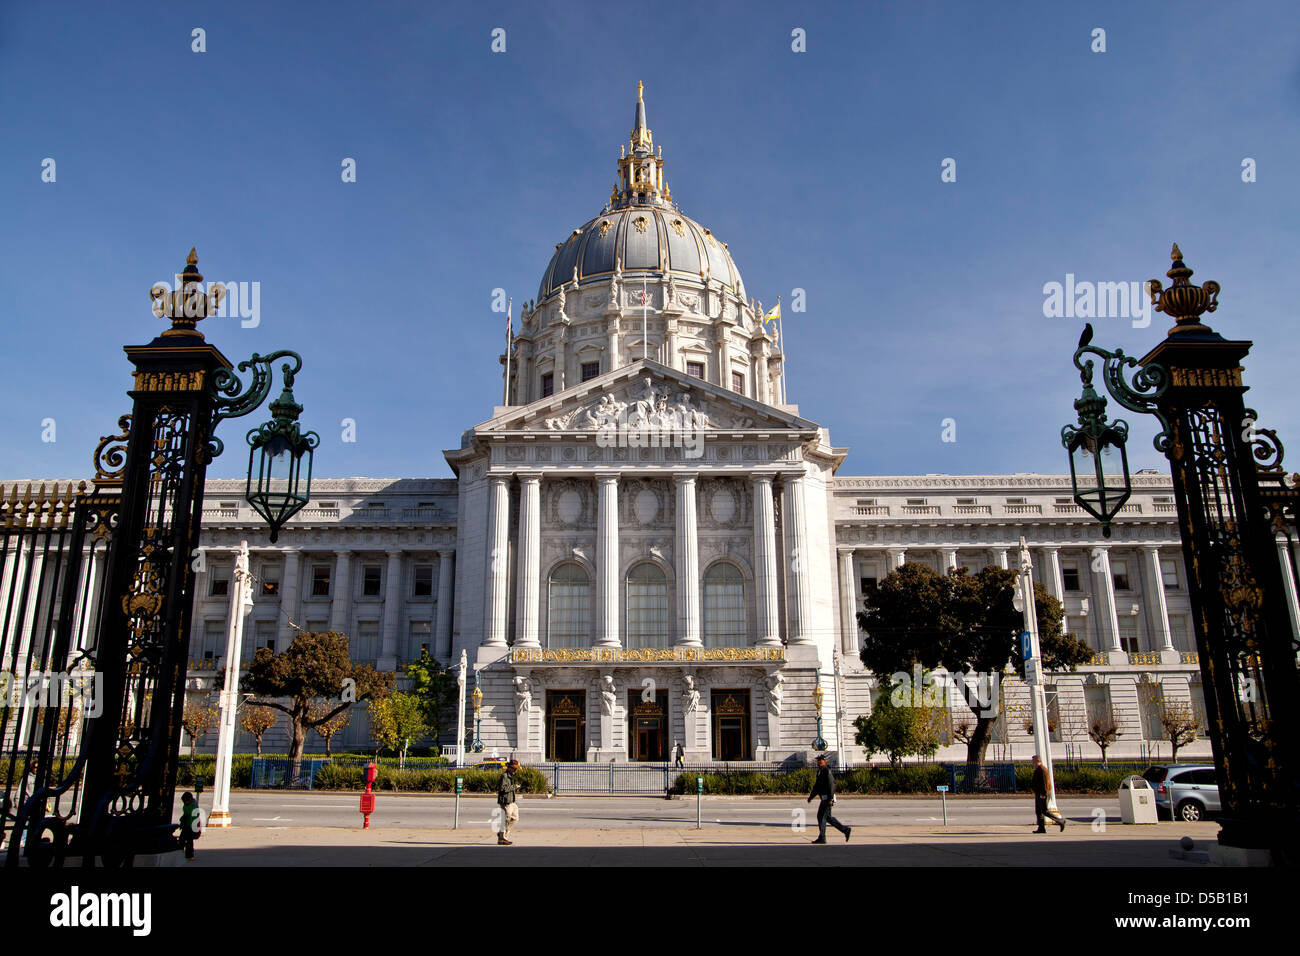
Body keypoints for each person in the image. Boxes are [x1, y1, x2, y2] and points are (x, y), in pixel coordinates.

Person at [806, 754, 851, 844]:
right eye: (818, 761)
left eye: (821, 760)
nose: (819, 762)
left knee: (821, 816)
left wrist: (830, 798)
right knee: (828, 818)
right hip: (824, 798)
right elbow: (817, 787)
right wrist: (811, 796)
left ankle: (822, 837)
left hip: (827, 798)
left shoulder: (827, 771)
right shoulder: (819, 772)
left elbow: (832, 785)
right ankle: (845, 830)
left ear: (824, 761)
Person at [1030, 754, 1066, 833]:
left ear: (1037, 761)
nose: (1032, 762)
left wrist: (1044, 793)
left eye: (1033, 761)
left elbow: (1046, 782)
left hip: (1042, 793)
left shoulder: (1042, 769)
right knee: (1038, 811)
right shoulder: (1039, 769)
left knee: (1044, 811)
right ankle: (1041, 828)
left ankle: (1060, 821)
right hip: (1039, 792)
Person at [496, 759, 521, 845]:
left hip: (512, 801)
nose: (515, 770)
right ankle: (502, 838)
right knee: (506, 820)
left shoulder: (511, 776)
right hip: (506, 801)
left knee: (515, 818)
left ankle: (501, 834)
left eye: (516, 769)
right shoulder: (505, 776)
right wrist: (514, 787)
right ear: (509, 768)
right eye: (514, 769)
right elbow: (502, 789)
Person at [179, 791, 201, 860]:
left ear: (190, 800)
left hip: (191, 827)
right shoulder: (186, 806)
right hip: (187, 825)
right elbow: (185, 814)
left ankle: (189, 855)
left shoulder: (193, 807)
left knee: (189, 841)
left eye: (186, 801)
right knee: (184, 840)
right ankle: (183, 852)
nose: (185, 803)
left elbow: (194, 818)